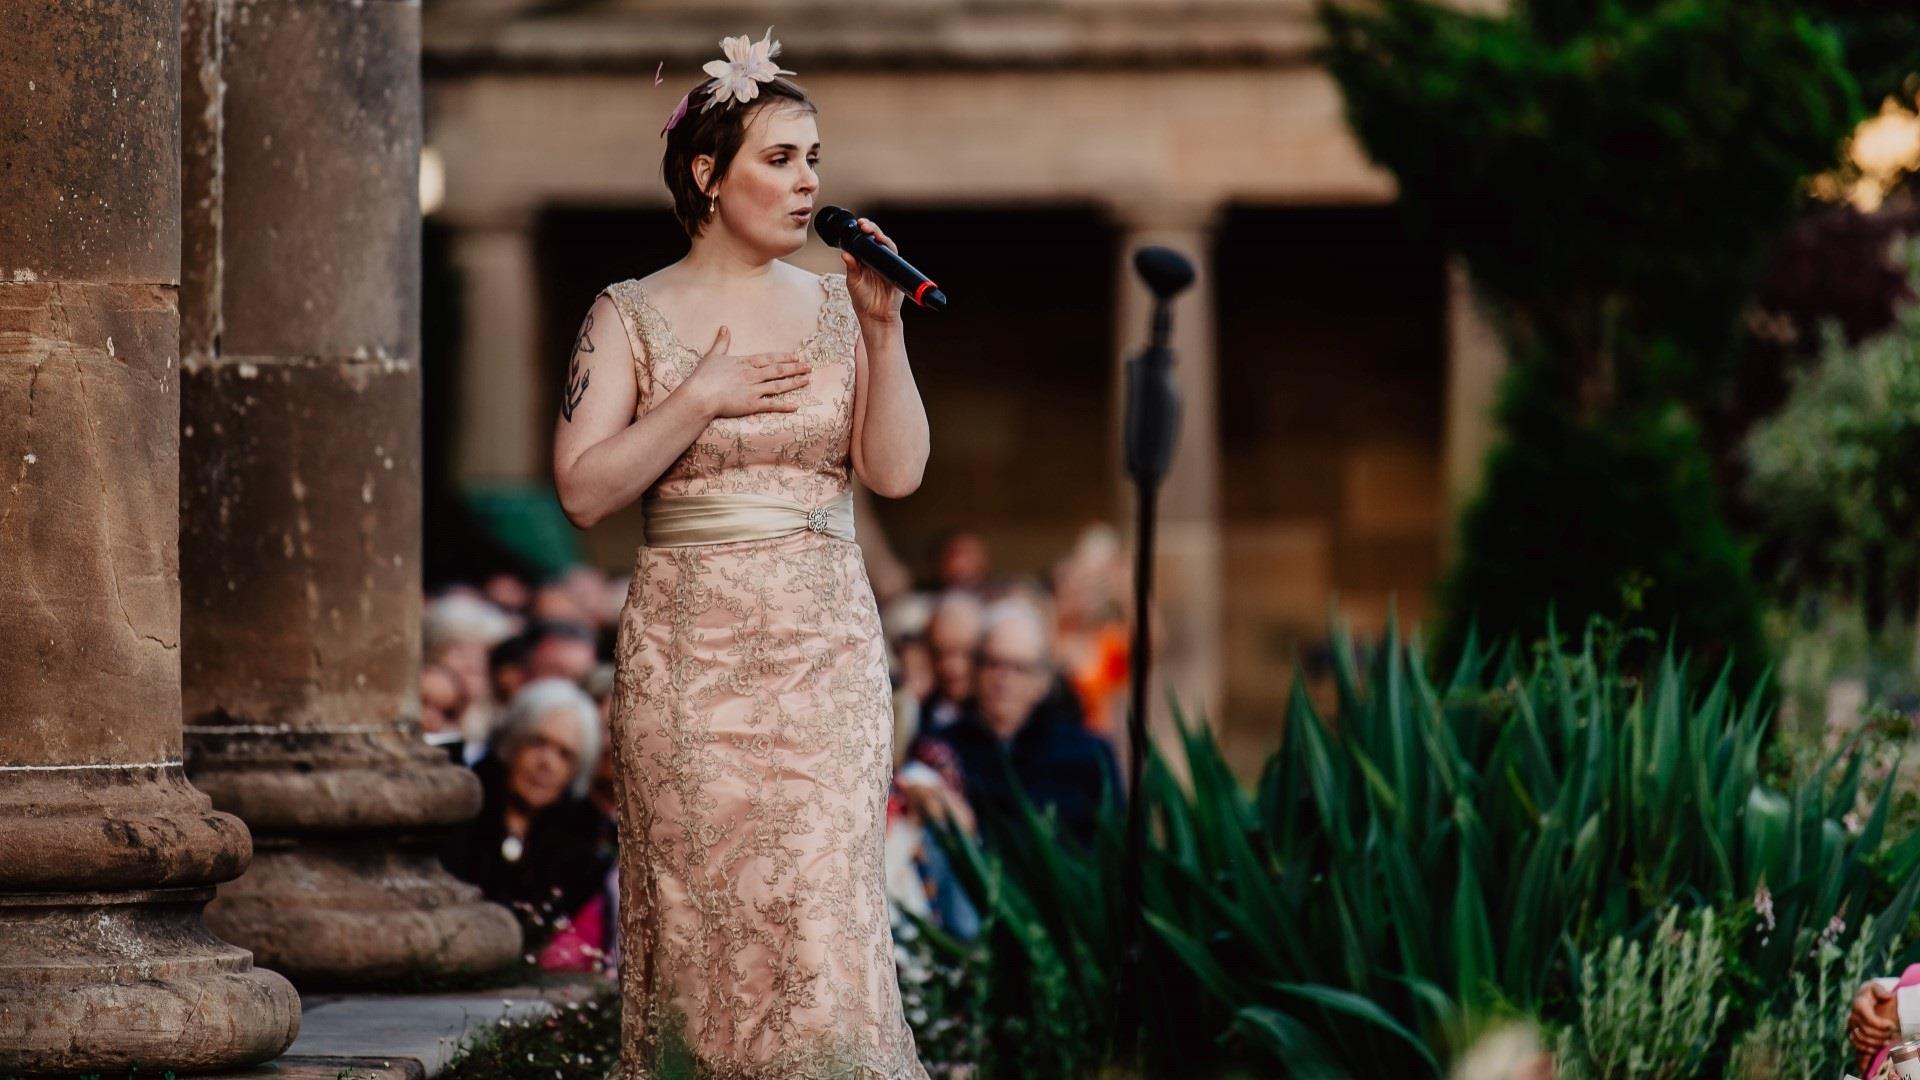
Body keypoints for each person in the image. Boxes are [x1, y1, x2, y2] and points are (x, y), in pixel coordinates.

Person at [550, 32, 931, 1077]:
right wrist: (699, 399)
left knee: (820, 912)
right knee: (704, 917)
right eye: (781, 158)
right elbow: (584, 489)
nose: (809, 181)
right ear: (709, 176)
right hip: (690, 653)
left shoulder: (835, 304)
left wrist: (883, 331)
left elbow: (894, 474)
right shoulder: (627, 313)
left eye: (815, 158)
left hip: (826, 652)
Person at [930, 599, 1122, 849]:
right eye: (993, 663)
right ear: (975, 670)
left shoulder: (1088, 755)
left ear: (1043, 679)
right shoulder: (942, 748)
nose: (1004, 679)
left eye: (1019, 668)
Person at [439, 678, 612, 954]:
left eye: (565, 754)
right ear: (512, 742)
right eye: (537, 743)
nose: (547, 763)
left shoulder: (584, 844)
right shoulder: (462, 808)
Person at [921, 589, 984, 737]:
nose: (952, 668)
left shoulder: (1001, 722)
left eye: (965, 653)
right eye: (939, 654)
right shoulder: (918, 713)